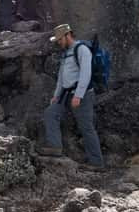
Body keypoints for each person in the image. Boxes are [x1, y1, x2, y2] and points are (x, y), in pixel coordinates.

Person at [39, 24, 104, 167]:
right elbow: (61, 78)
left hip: (83, 95)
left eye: (60, 39)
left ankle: (97, 163)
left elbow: (85, 74)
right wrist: (56, 96)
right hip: (66, 95)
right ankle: (55, 147)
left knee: (86, 127)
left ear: (67, 35)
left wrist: (78, 96)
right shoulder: (66, 53)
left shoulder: (82, 50)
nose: (58, 42)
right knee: (51, 112)